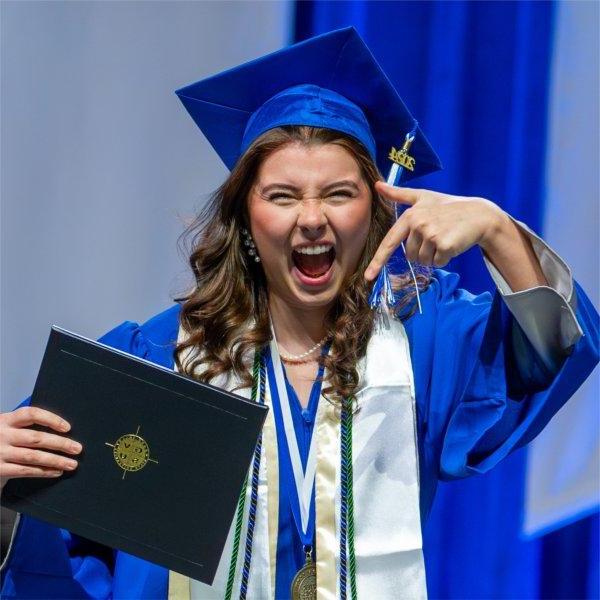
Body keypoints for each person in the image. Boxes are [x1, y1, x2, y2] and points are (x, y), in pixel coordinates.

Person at [1, 27, 598, 600]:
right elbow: (62, 559)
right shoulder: (157, 361)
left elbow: (552, 351)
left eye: (339, 194)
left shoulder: (425, 340)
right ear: (245, 221)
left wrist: (497, 230)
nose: (312, 219)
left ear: (374, 212)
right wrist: (10, 483)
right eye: (282, 196)